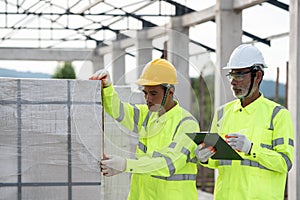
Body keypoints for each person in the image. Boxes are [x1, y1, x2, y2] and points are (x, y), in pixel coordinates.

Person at [89, 58, 202, 200]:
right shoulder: (147, 115)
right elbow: (118, 110)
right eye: (145, 93)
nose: (148, 99)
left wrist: (125, 165)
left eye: (153, 93)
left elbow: (168, 164)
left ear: (170, 92)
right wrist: (107, 87)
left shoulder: (187, 123)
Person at [194, 44, 295, 200]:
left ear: (258, 76)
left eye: (240, 75)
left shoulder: (278, 115)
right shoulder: (222, 113)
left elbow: (285, 162)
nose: (233, 82)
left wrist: (251, 149)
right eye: (232, 76)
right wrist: (205, 158)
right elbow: (218, 162)